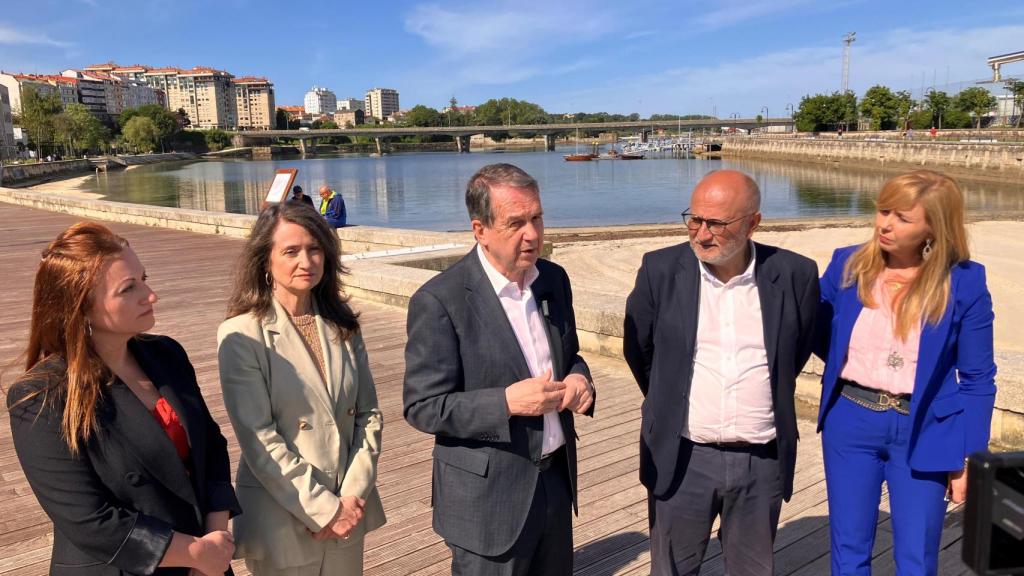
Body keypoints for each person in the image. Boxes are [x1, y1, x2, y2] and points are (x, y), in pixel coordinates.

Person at [5, 222, 240, 575]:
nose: (151, 295)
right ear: (80, 308)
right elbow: (89, 520)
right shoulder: (42, 397)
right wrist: (193, 553)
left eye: (144, 278)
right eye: (129, 288)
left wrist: (215, 535)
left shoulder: (167, 355)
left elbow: (212, 447)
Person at [624, 170, 819, 576]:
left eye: (716, 223)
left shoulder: (796, 274)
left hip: (761, 460)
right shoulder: (659, 270)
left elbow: (792, 354)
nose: (701, 233)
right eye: (693, 219)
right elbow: (640, 350)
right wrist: (671, 400)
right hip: (682, 456)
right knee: (672, 569)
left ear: (753, 223)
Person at [403, 163, 595, 575]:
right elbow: (423, 406)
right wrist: (506, 403)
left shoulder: (554, 280)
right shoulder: (440, 301)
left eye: (537, 218)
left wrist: (580, 378)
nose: (533, 233)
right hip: (487, 500)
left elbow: (570, 353)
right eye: (516, 223)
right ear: (480, 230)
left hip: (555, 483)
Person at [815, 169, 996, 576]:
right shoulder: (848, 264)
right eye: (883, 211)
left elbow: (978, 377)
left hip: (926, 427)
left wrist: (968, 456)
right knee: (849, 547)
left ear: (935, 227)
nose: (885, 224)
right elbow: (815, 330)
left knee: (917, 555)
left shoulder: (964, 283)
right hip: (850, 419)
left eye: (902, 217)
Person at [217, 202, 385, 576]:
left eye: (314, 248)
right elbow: (259, 438)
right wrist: (325, 509)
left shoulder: (342, 324)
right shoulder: (242, 335)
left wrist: (352, 496)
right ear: (266, 260)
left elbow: (369, 415)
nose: (305, 261)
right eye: (290, 251)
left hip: (348, 511)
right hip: (284, 514)